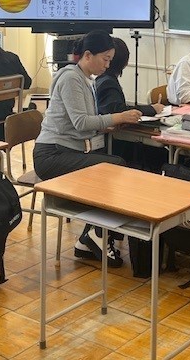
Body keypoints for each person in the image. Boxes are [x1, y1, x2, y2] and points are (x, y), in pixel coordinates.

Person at [33, 30, 142, 267]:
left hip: (68, 150)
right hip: (51, 155)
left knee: (114, 165)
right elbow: (81, 122)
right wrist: (117, 117)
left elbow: (84, 124)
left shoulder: (85, 79)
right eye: (105, 59)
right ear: (88, 55)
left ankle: (90, 238)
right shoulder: (71, 78)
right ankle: (97, 234)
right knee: (114, 167)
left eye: (110, 60)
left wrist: (106, 125)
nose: (108, 65)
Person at [96, 37, 166, 169]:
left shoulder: (104, 79)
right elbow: (118, 110)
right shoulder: (108, 82)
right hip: (110, 142)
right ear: (125, 62)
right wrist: (152, 109)